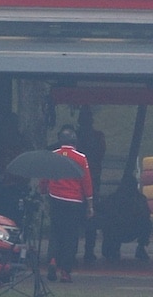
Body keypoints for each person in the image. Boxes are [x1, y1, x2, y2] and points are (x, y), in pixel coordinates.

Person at [41, 125, 94, 283]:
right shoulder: (81, 158)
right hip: (74, 202)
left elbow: (45, 177)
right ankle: (65, 271)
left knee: (55, 232)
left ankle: (52, 260)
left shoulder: (53, 155)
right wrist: (90, 203)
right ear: (74, 141)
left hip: (55, 198)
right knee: (71, 236)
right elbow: (87, 182)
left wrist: (43, 191)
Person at [77, 106, 107, 262]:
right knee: (75, 217)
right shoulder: (74, 138)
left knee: (91, 216)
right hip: (75, 184)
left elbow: (100, 154)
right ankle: (72, 250)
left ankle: (89, 250)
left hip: (92, 181)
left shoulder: (98, 137)